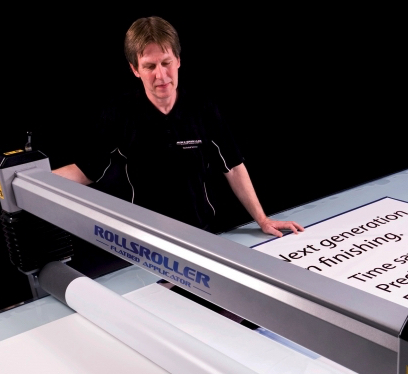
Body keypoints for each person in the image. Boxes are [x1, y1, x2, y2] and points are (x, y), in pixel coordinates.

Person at [53, 16, 303, 238]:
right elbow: (85, 170)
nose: (161, 75)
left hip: (203, 234)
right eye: (150, 66)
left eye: (166, 62)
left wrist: (262, 219)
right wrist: (33, 181)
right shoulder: (120, 114)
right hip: (146, 240)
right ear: (135, 69)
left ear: (178, 60)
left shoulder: (202, 108)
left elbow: (233, 166)